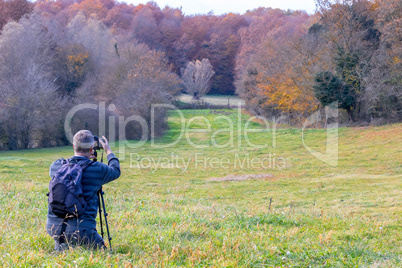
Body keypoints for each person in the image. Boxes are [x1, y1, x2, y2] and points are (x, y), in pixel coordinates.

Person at [46, 130, 121, 251]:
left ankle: (60, 248)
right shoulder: (97, 169)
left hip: (53, 228)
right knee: (105, 257)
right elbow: (116, 170)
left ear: (73, 146)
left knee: (62, 256)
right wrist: (108, 150)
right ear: (92, 148)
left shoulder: (56, 166)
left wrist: (83, 158)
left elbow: (73, 165)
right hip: (83, 230)